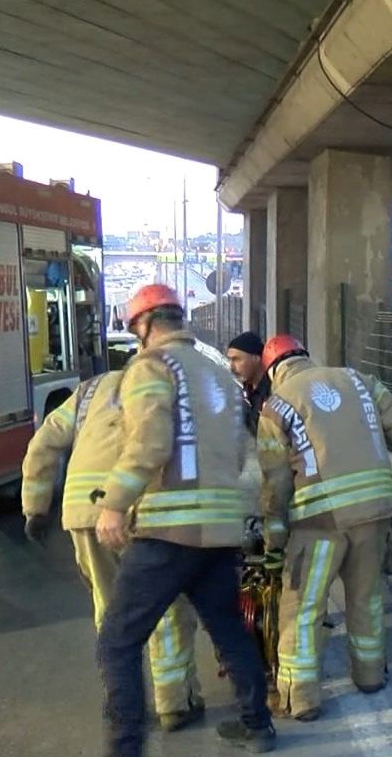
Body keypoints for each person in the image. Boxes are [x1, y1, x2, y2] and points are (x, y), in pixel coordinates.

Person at [93, 283, 276, 755]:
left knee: (117, 641)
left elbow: (150, 443)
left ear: (145, 325)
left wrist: (114, 503)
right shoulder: (219, 375)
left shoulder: (151, 367)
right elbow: (238, 453)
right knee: (228, 630)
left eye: (135, 327)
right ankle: (258, 727)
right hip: (220, 531)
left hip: (167, 531)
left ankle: (125, 745)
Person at [255, 334, 392, 722]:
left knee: (304, 606)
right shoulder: (357, 380)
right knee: (366, 597)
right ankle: (370, 675)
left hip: (319, 522)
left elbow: (275, 486)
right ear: (306, 356)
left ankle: (302, 697)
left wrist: (274, 542)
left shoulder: (275, 407)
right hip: (374, 512)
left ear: (273, 370)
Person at [19, 370, 206, 733]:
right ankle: (174, 704)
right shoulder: (167, 386)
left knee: (110, 609)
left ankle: (120, 703)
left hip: (82, 511)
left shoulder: (87, 392)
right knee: (165, 605)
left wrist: (35, 507)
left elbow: (42, 443)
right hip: (138, 509)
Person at [226, 331, 271, 434]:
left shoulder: (273, 392)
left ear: (256, 358)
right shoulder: (245, 391)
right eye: (230, 360)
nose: (231, 367)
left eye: (236, 359)